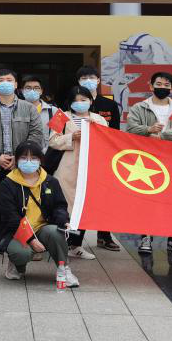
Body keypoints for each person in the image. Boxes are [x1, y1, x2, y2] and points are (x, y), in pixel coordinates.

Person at [0, 68, 44, 260]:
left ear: (15, 84)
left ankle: (26, 243)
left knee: (23, 207)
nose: (5, 83)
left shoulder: (28, 108)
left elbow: (37, 134)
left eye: (9, 80)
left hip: (22, 168)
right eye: (1, 80)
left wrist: (20, 158)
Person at [124, 71, 172, 255]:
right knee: (148, 199)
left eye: (166, 85)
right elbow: (131, 128)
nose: (162, 87)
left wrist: (161, 135)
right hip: (148, 160)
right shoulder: (140, 107)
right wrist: (148, 129)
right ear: (151, 85)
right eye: (159, 84)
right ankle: (146, 236)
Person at [0, 143, 78, 287]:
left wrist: (63, 220)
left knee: (56, 232)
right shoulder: (7, 184)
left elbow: (59, 205)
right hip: (17, 231)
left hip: (42, 227)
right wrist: (31, 240)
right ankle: (17, 265)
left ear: (40, 160)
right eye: (24, 158)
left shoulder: (50, 181)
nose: (29, 162)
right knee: (22, 253)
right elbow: (11, 218)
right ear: (16, 160)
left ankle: (63, 268)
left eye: (33, 158)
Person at [48, 86, 108, 259]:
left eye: (84, 100)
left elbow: (107, 141)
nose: (80, 103)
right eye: (75, 100)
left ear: (91, 101)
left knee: (84, 207)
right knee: (65, 206)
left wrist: (96, 131)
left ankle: (76, 245)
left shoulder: (99, 119)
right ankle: (60, 244)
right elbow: (52, 141)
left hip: (90, 168)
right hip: (66, 168)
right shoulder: (60, 116)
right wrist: (71, 137)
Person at [75, 65, 122, 251]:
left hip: (103, 159)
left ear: (98, 80)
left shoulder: (109, 105)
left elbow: (116, 133)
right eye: (83, 78)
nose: (88, 81)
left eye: (92, 77)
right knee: (80, 197)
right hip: (78, 158)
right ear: (78, 82)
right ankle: (76, 239)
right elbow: (58, 130)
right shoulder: (72, 102)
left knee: (104, 198)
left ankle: (104, 236)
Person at [21, 74, 60, 152]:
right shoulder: (14, 110)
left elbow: (59, 137)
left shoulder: (55, 111)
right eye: (28, 88)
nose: (32, 91)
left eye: (36, 88)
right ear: (22, 90)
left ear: (41, 91)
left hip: (48, 156)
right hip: (22, 155)